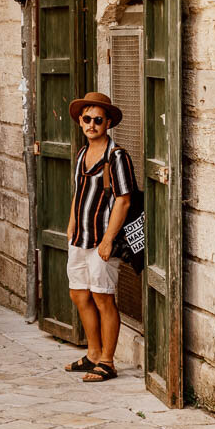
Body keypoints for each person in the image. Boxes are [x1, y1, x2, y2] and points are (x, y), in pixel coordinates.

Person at [64, 91, 134, 383]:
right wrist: (70, 226)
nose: (91, 124)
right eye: (87, 119)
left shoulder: (116, 156)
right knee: (79, 293)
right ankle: (92, 353)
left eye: (98, 120)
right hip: (79, 236)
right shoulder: (82, 153)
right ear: (81, 121)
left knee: (103, 297)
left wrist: (108, 240)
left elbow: (124, 199)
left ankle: (107, 361)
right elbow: (79, 192)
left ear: (107, 124)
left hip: (101, 240)